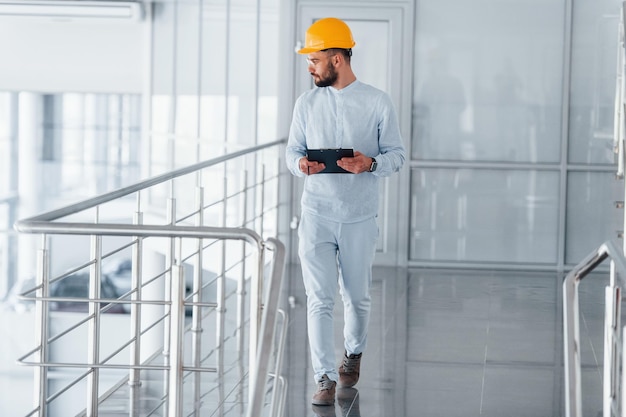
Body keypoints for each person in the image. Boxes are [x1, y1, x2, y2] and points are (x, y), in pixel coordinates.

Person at [285, 17, 406, 407]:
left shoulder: (377, 101)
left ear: (336, 59)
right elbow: (291, 152)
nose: (310, 67)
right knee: (319, 299)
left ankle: (353, 354)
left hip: (358, 215)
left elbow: (398, 156)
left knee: (356, 297)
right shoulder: (306, 104)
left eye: (315, 60)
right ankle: (323, 377)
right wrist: (300, 165)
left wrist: (369, 164)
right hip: (316, 213)